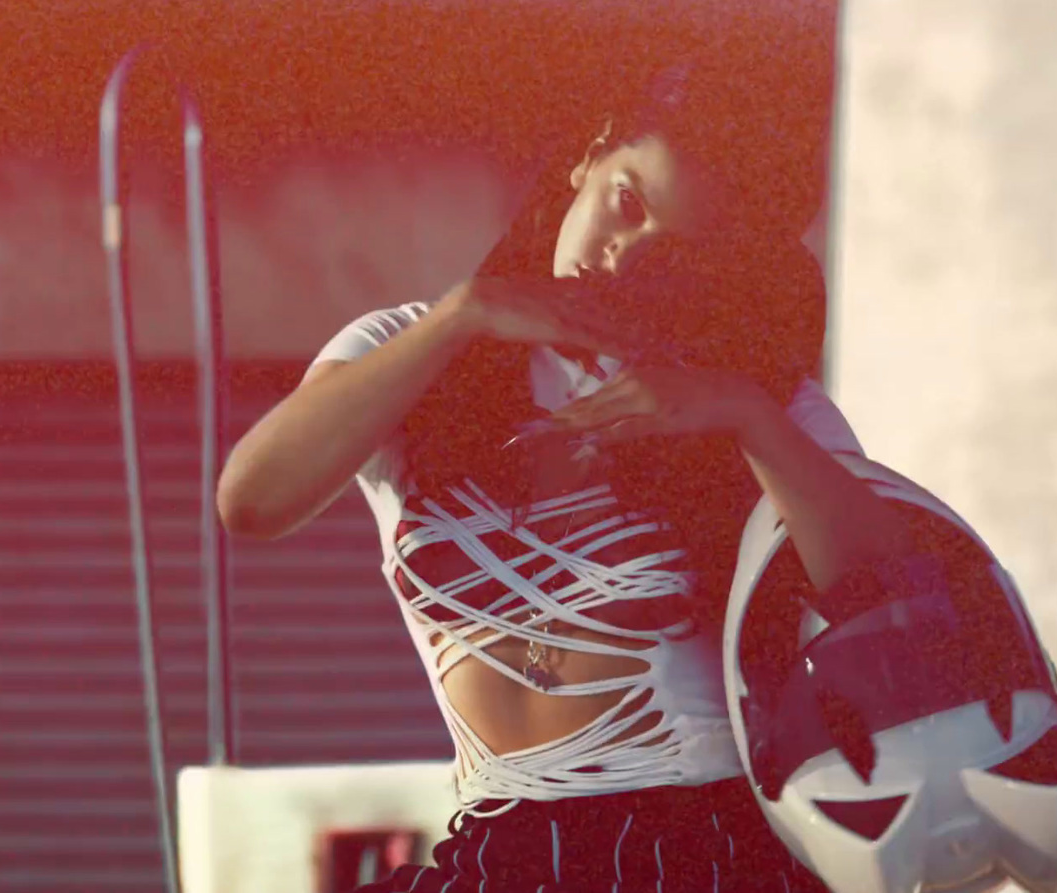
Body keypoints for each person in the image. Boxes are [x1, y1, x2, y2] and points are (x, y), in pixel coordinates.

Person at [218, 51, 912, 893]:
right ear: (590, 155)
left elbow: (886, 581)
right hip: (504, 845)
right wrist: (463, 313)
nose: (622, 258)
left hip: (704, 849)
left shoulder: (746, 398)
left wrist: (746, 416)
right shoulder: (411, 350)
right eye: (627, 202)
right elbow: (252, 500)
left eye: (675, 251)